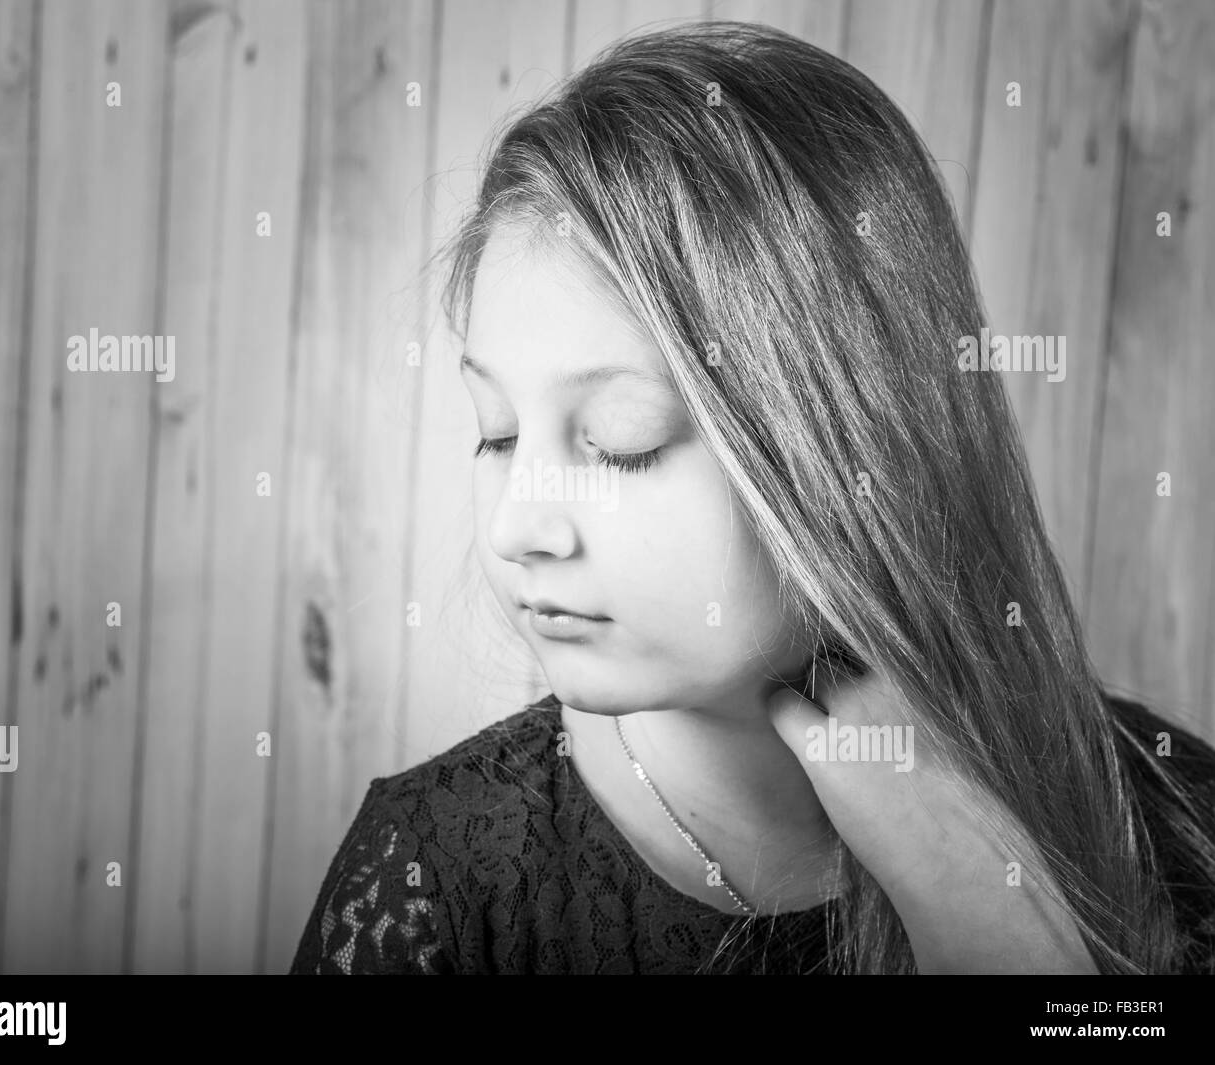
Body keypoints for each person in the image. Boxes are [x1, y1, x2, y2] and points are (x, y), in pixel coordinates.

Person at [290, 20, 1215, 974]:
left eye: (620, 440)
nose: (518, 525)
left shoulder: (1178, 815)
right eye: (496, 429)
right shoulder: (431, 885)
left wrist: (996, 926)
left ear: (849, 439)